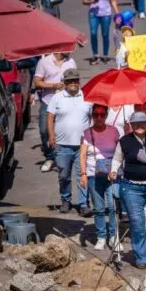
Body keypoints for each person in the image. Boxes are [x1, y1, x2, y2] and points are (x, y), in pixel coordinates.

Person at [110, 113, 146, 269]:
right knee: (137, 222)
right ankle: (141, 256)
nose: (139, 126)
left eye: (142, 123)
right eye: (135, 123)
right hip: (131, 187)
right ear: (130, 125)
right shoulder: (124, 141)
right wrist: (114, 170)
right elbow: (117, 159)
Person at [47, 68, 91, 216]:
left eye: (75, 80)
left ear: (79, 81)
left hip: (82, 146)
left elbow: (93, 118)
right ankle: (65, 200)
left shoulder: (86, 97)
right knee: (64, 175)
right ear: (65, 83)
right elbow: (50, 117)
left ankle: (84, 204)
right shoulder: (57, 98)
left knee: (82, 175)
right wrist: (51, 135)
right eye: (70, 81)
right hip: (62, 145)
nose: (73, 83)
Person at [79, 104, 121, 250]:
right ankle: (101, 237)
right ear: (92, 116)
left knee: (112, 206)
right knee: (98, 208)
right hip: (93, 174)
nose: (98, 118)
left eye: (102, 114)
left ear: (106, 115)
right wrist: (83, 174)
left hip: (112, 174)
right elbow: (83, 154)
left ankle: (114, 236)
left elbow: (119, 152)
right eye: (95, 114)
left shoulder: (114, 131)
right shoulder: (86, 133)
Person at [34, 52, 77, 172]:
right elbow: (37, 82)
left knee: (63, 130)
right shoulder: (44, 62)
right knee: (44, 130)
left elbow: (75, 81)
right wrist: (53, 86)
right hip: (48, 101)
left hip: (65, 101)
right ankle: (49, 157)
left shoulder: (71, 62)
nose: (70, 50)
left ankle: (62, 158)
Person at [83, 0, 119, 64]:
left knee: (105, 34)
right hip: (93, 14)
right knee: (93, 33)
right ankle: (95, 55)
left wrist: (117, 13)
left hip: (106, 14)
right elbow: (84, 1)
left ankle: (105, 55)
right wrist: (91, 2)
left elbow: (113, 0)